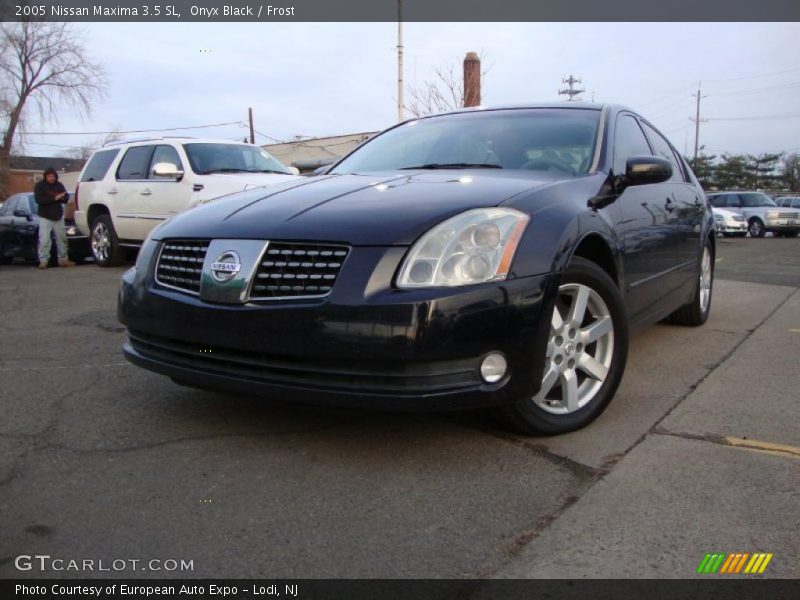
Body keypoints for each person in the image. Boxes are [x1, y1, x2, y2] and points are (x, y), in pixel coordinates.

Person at [33, 167, 74, 269]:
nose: (51, 178)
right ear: (45, 176)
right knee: (44, 240)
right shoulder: (40, 186)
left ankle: (63, 259)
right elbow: (39, 200)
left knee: (62, 239)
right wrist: (54, 198)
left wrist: (63, 197)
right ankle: (43, 261)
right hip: (45, 216)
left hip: (58, 216)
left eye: (53, 176)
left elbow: (65, 197)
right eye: (49, 176)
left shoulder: (59, 185)